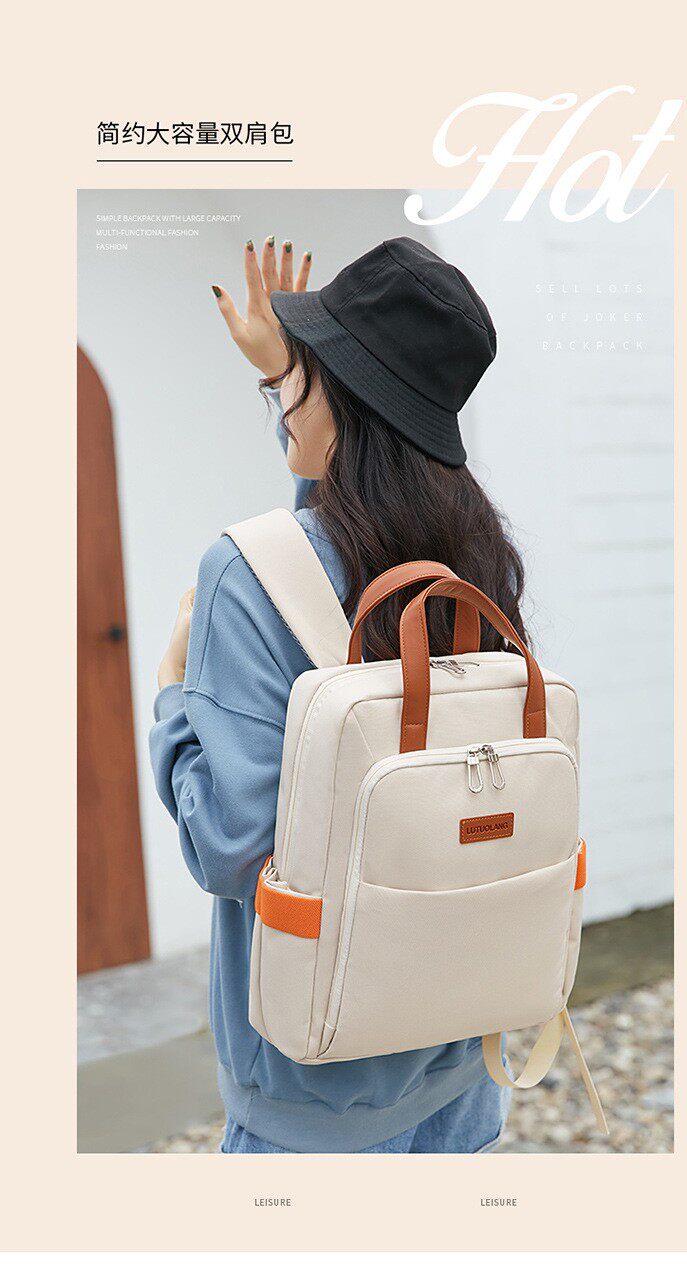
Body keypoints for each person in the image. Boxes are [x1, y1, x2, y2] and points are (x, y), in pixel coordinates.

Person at [150, 234, 529, 1153]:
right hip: (463, 1062)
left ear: (349, 395)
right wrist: (295, 377)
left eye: (304, 372)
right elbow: (329, 576)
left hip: (313, 1101)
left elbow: (233, 847)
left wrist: (173, 703)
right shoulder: (474, 556)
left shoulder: (241, 574)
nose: (282, 395)